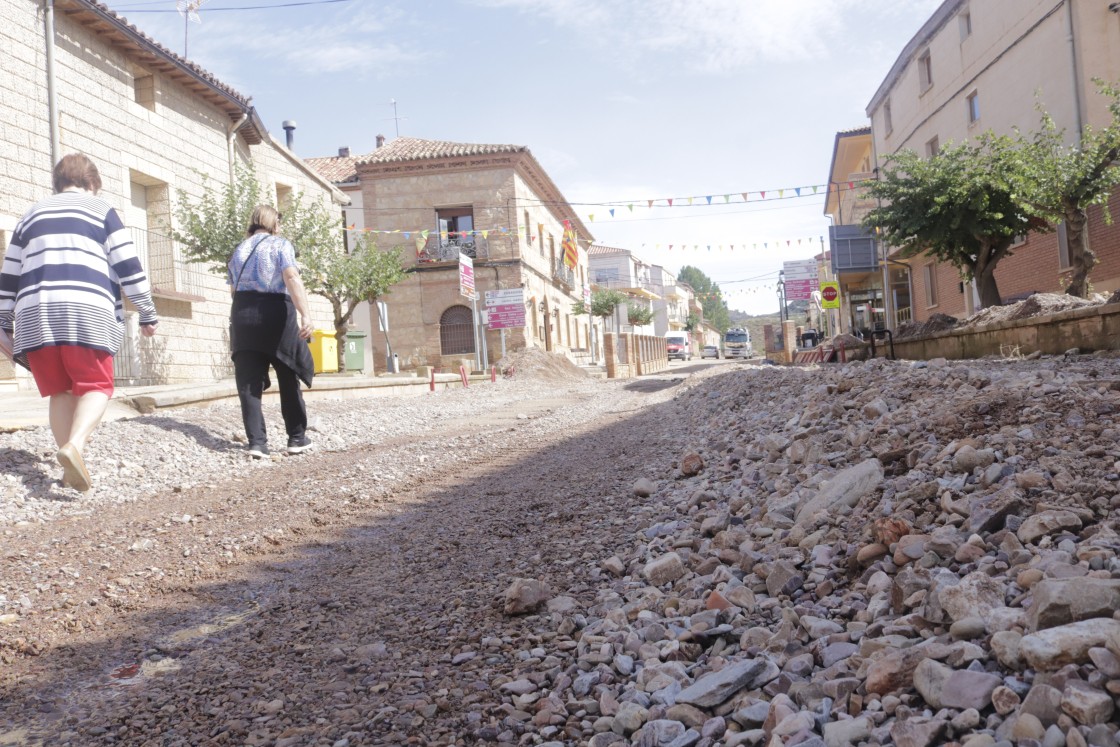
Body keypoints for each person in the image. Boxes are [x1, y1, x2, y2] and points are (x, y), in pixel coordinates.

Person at [0, 153, 159, 491]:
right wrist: (147, 310)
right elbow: (128, 264)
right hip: (85, 310)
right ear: (92, 183)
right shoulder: (102, 211)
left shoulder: (30, 214)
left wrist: (3, 319)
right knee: (97, 387)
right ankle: (75, 445)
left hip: (34, 315)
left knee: (60, 392)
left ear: (57, 184)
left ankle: (67, 465)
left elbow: (9, 272)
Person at [228, 204, 315, 459]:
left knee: (248, 384)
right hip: (275, 313)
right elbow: (291, 277)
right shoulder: (280, 245)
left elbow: (233, 291)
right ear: (274, 223)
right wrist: (305, 313)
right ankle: (296, 438)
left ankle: (257, 443)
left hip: (243, 314)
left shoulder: (238, 251)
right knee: (288, 375)